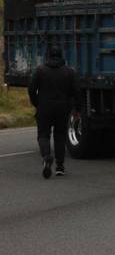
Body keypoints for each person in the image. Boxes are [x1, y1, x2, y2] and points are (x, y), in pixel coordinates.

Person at [28, 45, 80, 179]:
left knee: (43, 135)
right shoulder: (69, 72)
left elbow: (31, 88)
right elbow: (76, 92)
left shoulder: (40, 70)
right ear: (61, 56)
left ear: (48, 56)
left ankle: (46, 156)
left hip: (44, 107)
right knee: (60, 136)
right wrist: (77, 108)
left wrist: (36, 103)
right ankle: (60, 167)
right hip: (62, 108)